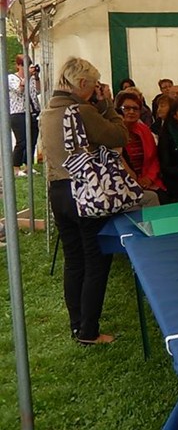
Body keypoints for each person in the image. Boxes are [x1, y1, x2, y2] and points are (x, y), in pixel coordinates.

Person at [39, 57, 128, 344]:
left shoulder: (47, 112)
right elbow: (119, 135)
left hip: (58, 191)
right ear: (80, 84)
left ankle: (77, 324)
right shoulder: (81, 111)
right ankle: (89, 331)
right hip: (85, 192)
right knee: (96, 260)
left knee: (74, 260)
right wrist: (109, 106)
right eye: (92, 86)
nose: (95, 91)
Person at [115, 90, 168, 205]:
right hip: (124, 182)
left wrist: (149, 178)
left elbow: (154, 158)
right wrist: (135, 181)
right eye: (126, 108)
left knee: (164, 196)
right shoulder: (114, 133)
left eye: (135, 109)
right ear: (118, 110)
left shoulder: (144, 130)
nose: (131, 112)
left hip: (147, 180)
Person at [9, 54, 41, 177]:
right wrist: (27, 78)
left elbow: (38, 91)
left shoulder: (32, 78)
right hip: (18, 113)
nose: (27, 68)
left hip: (33, 112)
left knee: (32, 141)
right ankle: (15, 168)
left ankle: (28, 166)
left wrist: (36, 77)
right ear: (18, 65)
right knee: (21, 141)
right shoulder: (11, 78)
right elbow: (19, 90)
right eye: (24, 65)